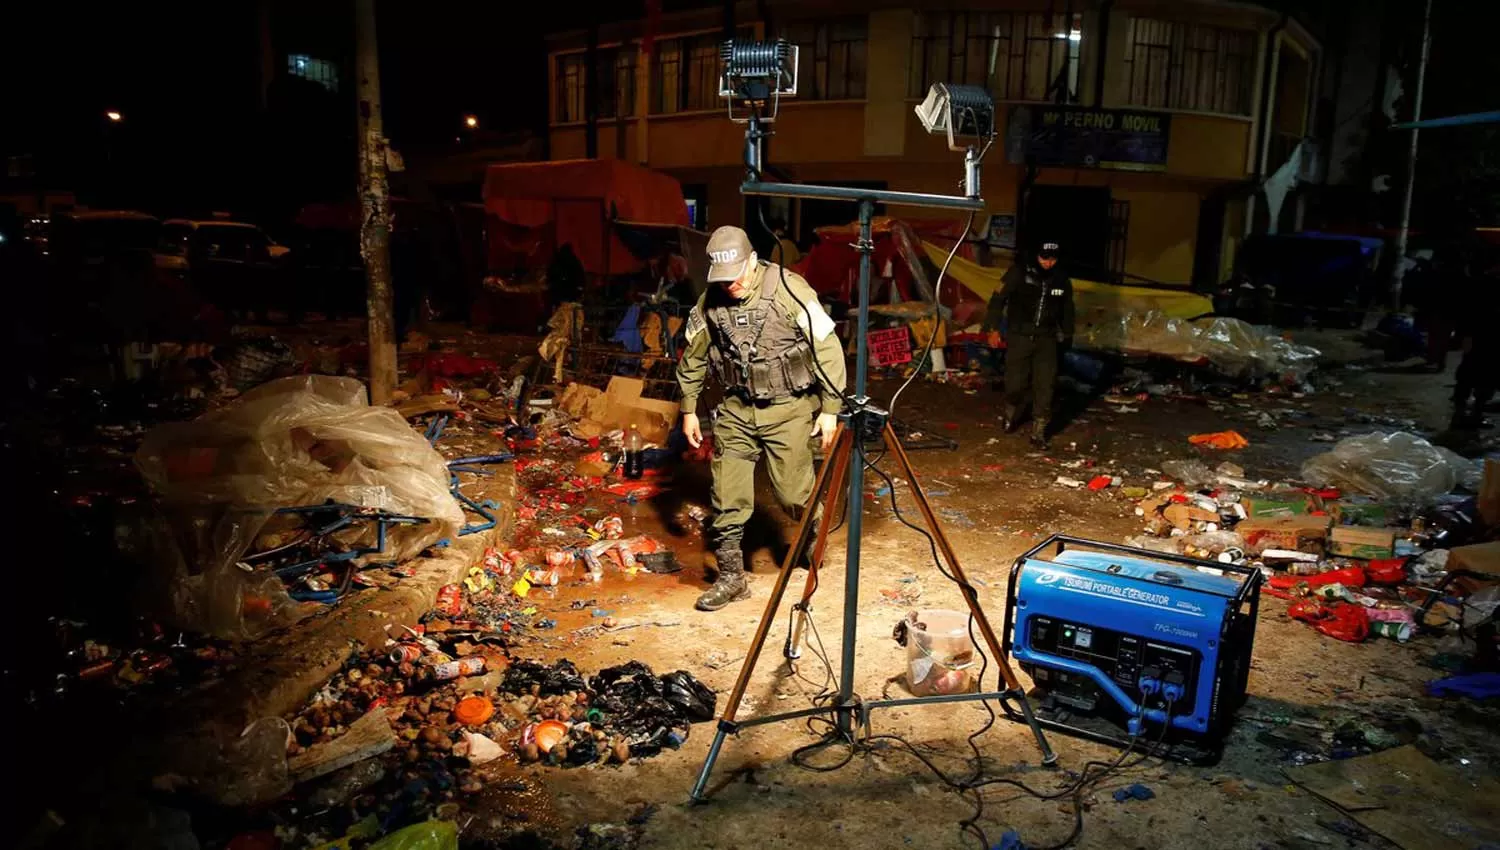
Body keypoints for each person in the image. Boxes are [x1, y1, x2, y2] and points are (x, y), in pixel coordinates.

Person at [676, 226, 847, 611]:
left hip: (789, 408)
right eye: (723, 278)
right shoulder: (711, 302)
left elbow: (828, 349)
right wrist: (689, 409)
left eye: (737, 274)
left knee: (792, 492)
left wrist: (830, 410)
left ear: (752, 261)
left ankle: (811, 534)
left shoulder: (791, 291)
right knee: (727, 494)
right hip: (737, 408)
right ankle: (732, 578)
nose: (731, 284)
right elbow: (695, 356)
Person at [982, 240, 1074, 448]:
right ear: (1036, 256)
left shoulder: (1060, 279)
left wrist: (1067, 334)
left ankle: (1039, 430)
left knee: (1045, 385)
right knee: (1016, 383)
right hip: (1019, 336)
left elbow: (1067, 309)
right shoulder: (1018, 273)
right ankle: (1011, 411)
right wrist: (992, 328)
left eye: (1052, 259)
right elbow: (998, 300)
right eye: (1044, 258)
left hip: (1046, 339)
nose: (1048, 263)